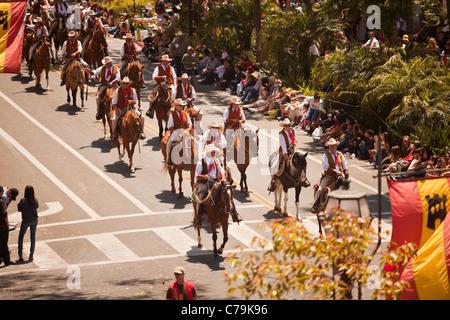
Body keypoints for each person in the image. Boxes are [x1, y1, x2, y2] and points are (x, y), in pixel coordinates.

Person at [310, 138, 349, 214]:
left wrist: (346, 174)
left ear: (336, 146)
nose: (332, 147)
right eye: (330, 146)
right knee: (320, 189)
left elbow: (345, 166)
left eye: (333, 146)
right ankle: (315, 205)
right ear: (328, 147)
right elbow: (325, 167)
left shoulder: (340, 155)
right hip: (329, 176)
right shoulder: (326, 155)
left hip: (340, 175)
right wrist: (335, 171)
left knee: (348, 189)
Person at [111, 77, 146, 141]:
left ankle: (141, 132)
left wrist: (131, 101)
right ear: (121, 84)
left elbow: (135, 101)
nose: (125, 85)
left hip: (131, 109)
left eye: (127, 84)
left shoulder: (133, 90)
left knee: (142, 117)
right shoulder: (117, 90)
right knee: (114, 119)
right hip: (121, 108)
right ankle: (114, 133)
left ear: (129, 84)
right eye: (124, 83)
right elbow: (114, 102)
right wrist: (116, 109)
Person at [267, 118, 297, 192]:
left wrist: (295, 142)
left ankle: (302, 178)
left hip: (292, 150)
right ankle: (273, 181)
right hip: (284, 152)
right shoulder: (281, 134)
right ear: (283, 126)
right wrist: (287, 158)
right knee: (276, 166)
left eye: (289, 125)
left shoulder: (293, 130)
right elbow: (284, 147)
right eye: (286, 126)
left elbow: (295, 139)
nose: (287, 127)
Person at [89, 56, 121, 120]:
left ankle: (120, 110)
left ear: (110, 63)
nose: (106, 65)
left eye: (107, 63)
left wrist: (112, 82)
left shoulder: (116, 69)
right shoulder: (102, 68)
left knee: (120, 95)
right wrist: (90, 72)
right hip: (104, 85)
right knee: (98, 97)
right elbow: (95, 72)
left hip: (113, 85)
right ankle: (99, 111)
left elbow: (118, 77)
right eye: (105, 64)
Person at [166, 98, 193, 168]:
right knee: (169, 144)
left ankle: (195, 158)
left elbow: (189, 123)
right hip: (176, 132)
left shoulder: (185, 113)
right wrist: (175, 131)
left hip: (185, 131)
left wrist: (188, 129)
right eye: (180, 105)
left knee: (193, 141)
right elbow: (169, 126)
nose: (182, 107)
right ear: (176, 106)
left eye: (182, 106)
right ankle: (169, 160)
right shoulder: (172, 115)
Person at [17, 186, 39, 262]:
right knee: (32, 237)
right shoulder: (35, 200)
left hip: (26, 220)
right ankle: (31, 255)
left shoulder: (23, 200)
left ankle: (20, 255)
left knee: (21, 236)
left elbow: (19, 209)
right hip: (34, 220)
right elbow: (36, 207)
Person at [1, 187, 19, 266]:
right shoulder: (3, 199)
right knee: (4, 243)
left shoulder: (4, 190)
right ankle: (6, 261)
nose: (10, 198)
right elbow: (4, 211)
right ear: (10, 192)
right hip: (2, 225)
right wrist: (7, 225)